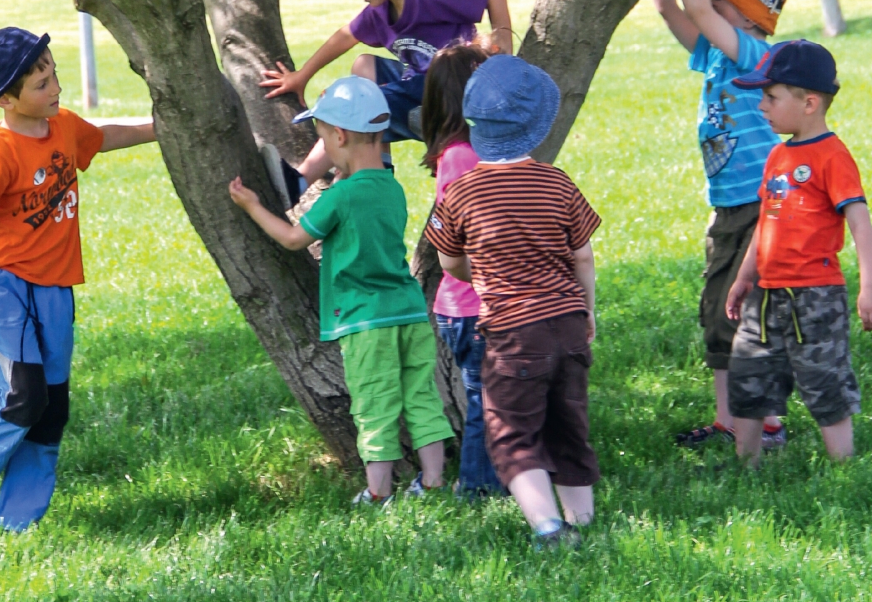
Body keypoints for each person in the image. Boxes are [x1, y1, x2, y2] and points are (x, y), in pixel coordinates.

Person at [0, 27, 157, 531]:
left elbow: (103, 138)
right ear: (6, 100)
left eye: (54, 73)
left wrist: (158, 127)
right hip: (8, 286)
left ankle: (16, 524)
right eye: (41, 84)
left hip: (56, 289)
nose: (56, 87)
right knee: (24, 397)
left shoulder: (63, 127)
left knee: (52, 408)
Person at [229, 74, 454, 505]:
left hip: (365, 319)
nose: (325, 149)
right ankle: (433, 481)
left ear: (340, 136)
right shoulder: (392, 188)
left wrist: (252, 205)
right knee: (422, 398)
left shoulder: (341, 195)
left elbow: (293, 239)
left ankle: (379, 492)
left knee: (374, 405)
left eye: (323, 139)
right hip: (408, 311)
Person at [424, 55, 601, 548]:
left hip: (513, 332)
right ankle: (584, 521)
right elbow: (583, 256)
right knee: (569, 425)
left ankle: (549, 528)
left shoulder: (461, 192)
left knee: (512, 434)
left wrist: (479, 272)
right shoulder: (557, 182)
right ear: (535, 126)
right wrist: (586, 309)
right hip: (568, 323)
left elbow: (449, 261)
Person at [635, 0, 789, 452]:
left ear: (747, 17)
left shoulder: (753, 54)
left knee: (747, 313)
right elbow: (673, 11)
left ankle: (767, 423)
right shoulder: (717, 54)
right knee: (717, 312)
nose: (703, 0)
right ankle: (730, 422)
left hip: (760, 205)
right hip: (727, 205)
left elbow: (697, 11)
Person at [258, 0, 513, 199]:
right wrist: (302, 77)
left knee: (358, 105)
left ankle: (299, 182)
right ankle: (378, 166)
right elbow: (345, 36)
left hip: (452, 88)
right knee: (364, 64)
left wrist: (503, 43)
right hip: (420, 84)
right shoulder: (380, 11)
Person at [725, 39, 872, 465]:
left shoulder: (832, 156)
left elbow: (860, 223)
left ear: (809, 103)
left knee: (824, 379)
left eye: (771, 97)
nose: (762, 105)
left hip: (815, 295)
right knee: (749, 375)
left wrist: (870, 288)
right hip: (766, 293)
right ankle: (745, 465)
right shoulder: (777, 155)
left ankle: (844, 467)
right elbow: (766, 221)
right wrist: (744, 277)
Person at [420, 43, 504, 498]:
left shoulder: (465, 153)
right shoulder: (462, 158)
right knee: (488, 402)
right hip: (474, 306)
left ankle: (502, 477)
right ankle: (476, 487)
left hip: (473, 305)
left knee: (495, 399)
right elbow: (458, 239)